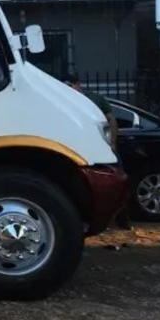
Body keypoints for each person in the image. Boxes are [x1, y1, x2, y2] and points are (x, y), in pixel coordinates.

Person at [64, 73, 130, 228]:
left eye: (70, 85)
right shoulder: (65, 100)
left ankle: (123, 219)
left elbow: (111, 119)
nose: (68, 89)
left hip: (101, 146)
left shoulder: (94, 99)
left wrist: (112, 143)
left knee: (117, 179)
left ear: (77, 84)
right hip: (79, 148)